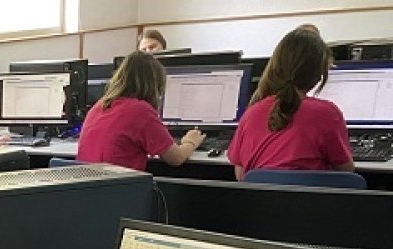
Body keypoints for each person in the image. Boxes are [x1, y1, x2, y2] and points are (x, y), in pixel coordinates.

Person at [227, 28, 352, 181]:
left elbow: (241, 176)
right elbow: (346, 171)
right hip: (313, 203)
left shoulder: (251, 113)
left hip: (261, 203)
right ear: (319, 74)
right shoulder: (327, 113)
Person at [76, 51, 205, 170]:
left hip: (88, 189)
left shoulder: (100, 105)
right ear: (155, 85)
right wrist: (190, 141)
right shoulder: (140, 111)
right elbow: (176, 158)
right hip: (117, 189)